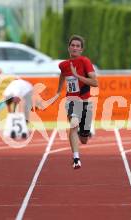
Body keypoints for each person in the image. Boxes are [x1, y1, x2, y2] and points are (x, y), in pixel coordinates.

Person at [48, 35, 98, 169]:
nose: (75, 48)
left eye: (78, 46)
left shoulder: (85, 61)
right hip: (71, 100)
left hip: (85, 102)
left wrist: (77, 76)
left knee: (84, 140)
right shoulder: (63, 65)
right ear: (69, 47)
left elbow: (95, 82)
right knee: (73, 124)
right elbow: (62, 75)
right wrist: (58, 92)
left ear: (81, 50)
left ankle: (84, 131)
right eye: (73, 45)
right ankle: (76, 158)